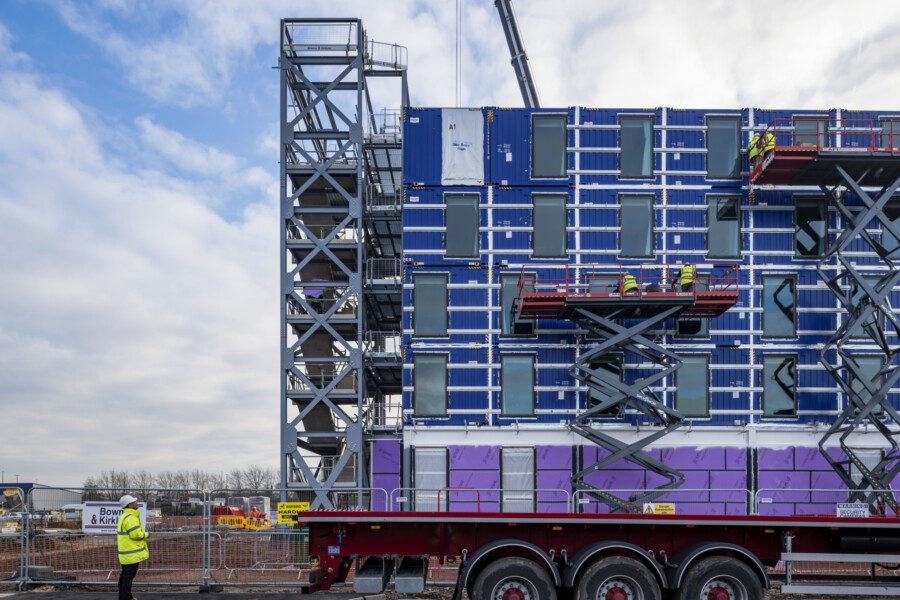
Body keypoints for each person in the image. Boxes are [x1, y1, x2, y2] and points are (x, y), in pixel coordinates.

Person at [116, 495, 149, 600]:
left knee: (125, 575)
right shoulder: (131, 518)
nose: (136, 502)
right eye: (134, 501)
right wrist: (147, 534)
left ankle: (123, 596)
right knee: (128, 576)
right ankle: (126, 597)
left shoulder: (124, 516)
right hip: (131, 554)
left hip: (126, 553)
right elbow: (136, 535)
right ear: (130, 505)